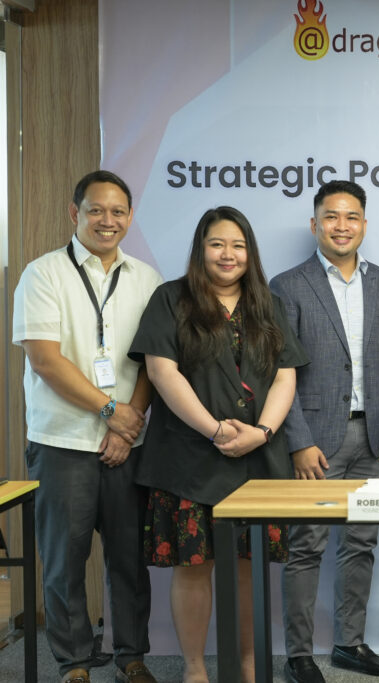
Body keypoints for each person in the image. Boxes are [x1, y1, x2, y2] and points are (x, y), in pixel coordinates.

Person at [129, 206, 307, 683]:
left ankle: (248, 665)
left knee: (250, 568)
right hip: (189, 458)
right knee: (193, 568)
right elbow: (161, 371)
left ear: (250, 252)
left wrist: (262, 432)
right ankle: (193, 669)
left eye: (238, 245)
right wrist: (213, 429)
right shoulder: (171, 299)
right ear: (200, 249)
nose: (228, 254)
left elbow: (285, 375)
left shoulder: (267, 304)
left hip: (258, 459)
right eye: (217, 244)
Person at [12, 170, 163, 683]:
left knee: (129, 560)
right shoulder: (42, 274)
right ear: (74, 213)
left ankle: (131, 658)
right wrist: (109, 412)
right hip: (62, 442)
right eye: (96, 210)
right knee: (64, 562)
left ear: (130, 217)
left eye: (117, 211)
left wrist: (125, 427)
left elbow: (154, 362)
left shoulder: (146, 279)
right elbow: (45, 360)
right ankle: (74, 663)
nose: (107, 220)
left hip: (128, 445)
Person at [271, 180, 379, 683]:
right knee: (306, 548)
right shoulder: (287, 286)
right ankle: (299, 655)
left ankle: (350, 644)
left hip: (374, 438)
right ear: (315, 224)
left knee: (361, 544)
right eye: (331, 216)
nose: (342, 226)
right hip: (315, 442)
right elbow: (279, 371)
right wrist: (299, 441)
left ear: (364, 224)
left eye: (351, 217)